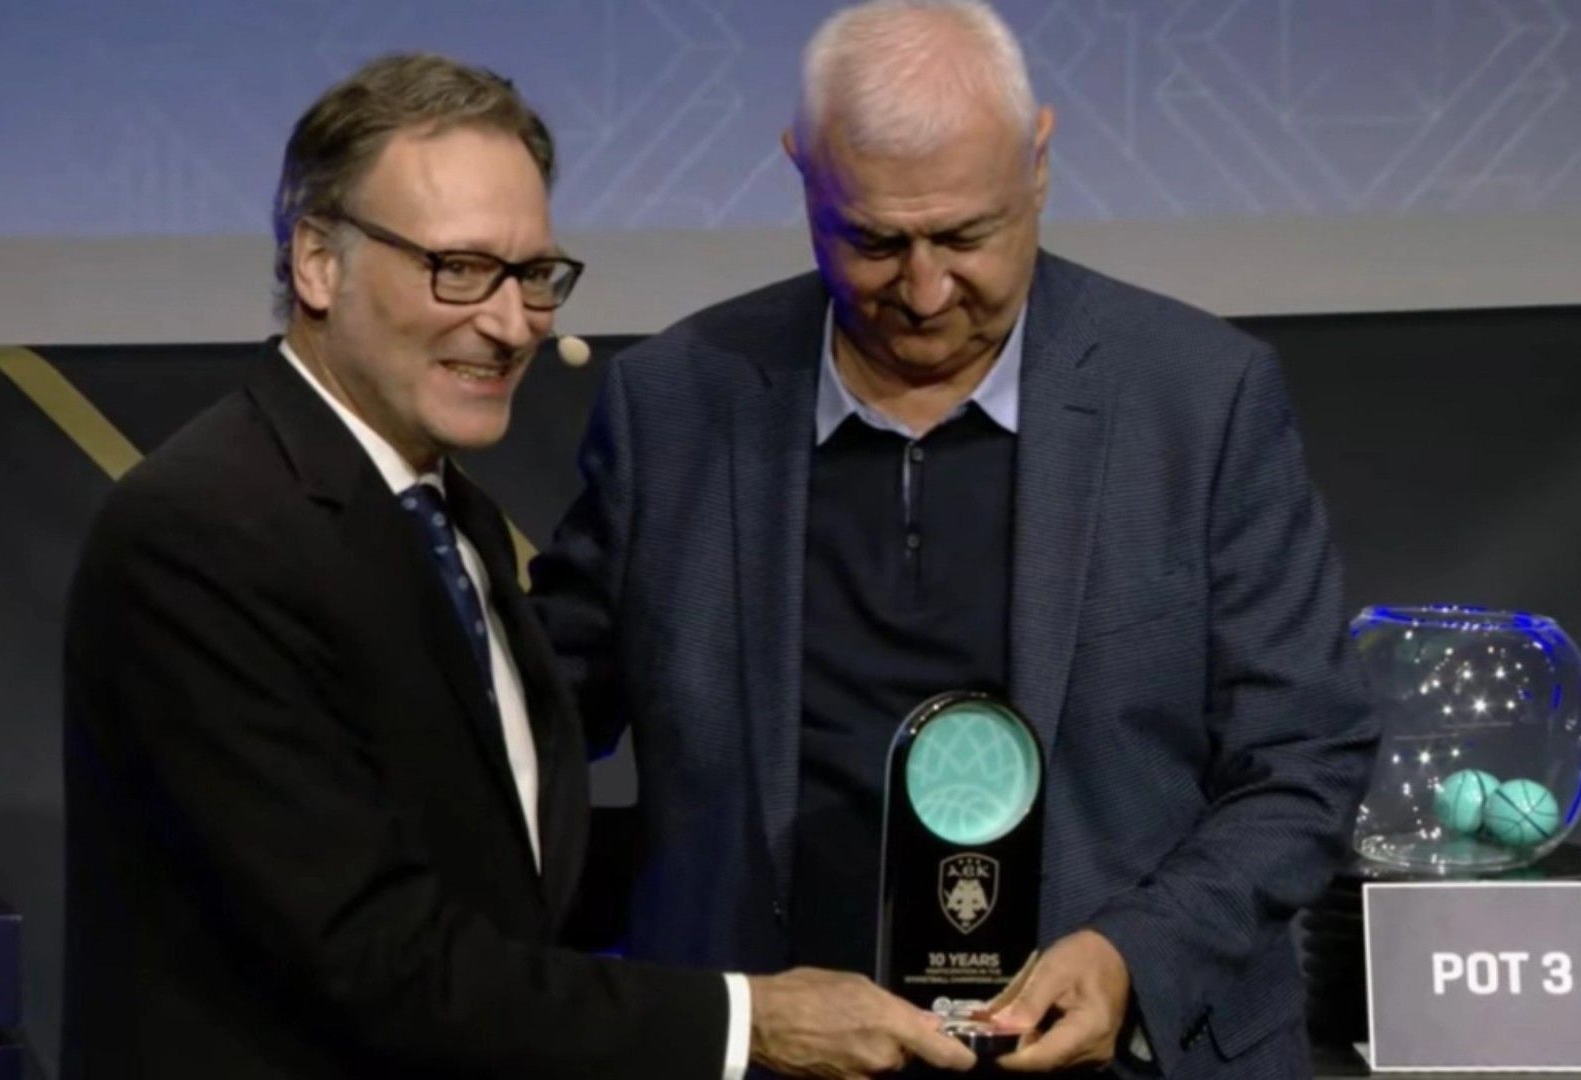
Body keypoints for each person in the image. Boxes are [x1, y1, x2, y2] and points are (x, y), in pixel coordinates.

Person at [60, 52, 974, 1080]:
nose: (509, 324)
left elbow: (509, 866)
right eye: (458, 268)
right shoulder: (205, 532)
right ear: (318, 262)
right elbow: (374, 960)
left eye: (534, 275)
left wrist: (830, 850)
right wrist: (746, 1021)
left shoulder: (448, 517)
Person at [533, 1, 1378, 1076]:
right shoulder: (675, 405)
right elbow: (533, 725)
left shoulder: (1200, 402)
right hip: (783, 1057)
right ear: (800, 173)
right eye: (875, 242)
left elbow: (1305, 754)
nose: (925, 292)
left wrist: (1133, 955)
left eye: (967, 237)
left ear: (1040, 163)